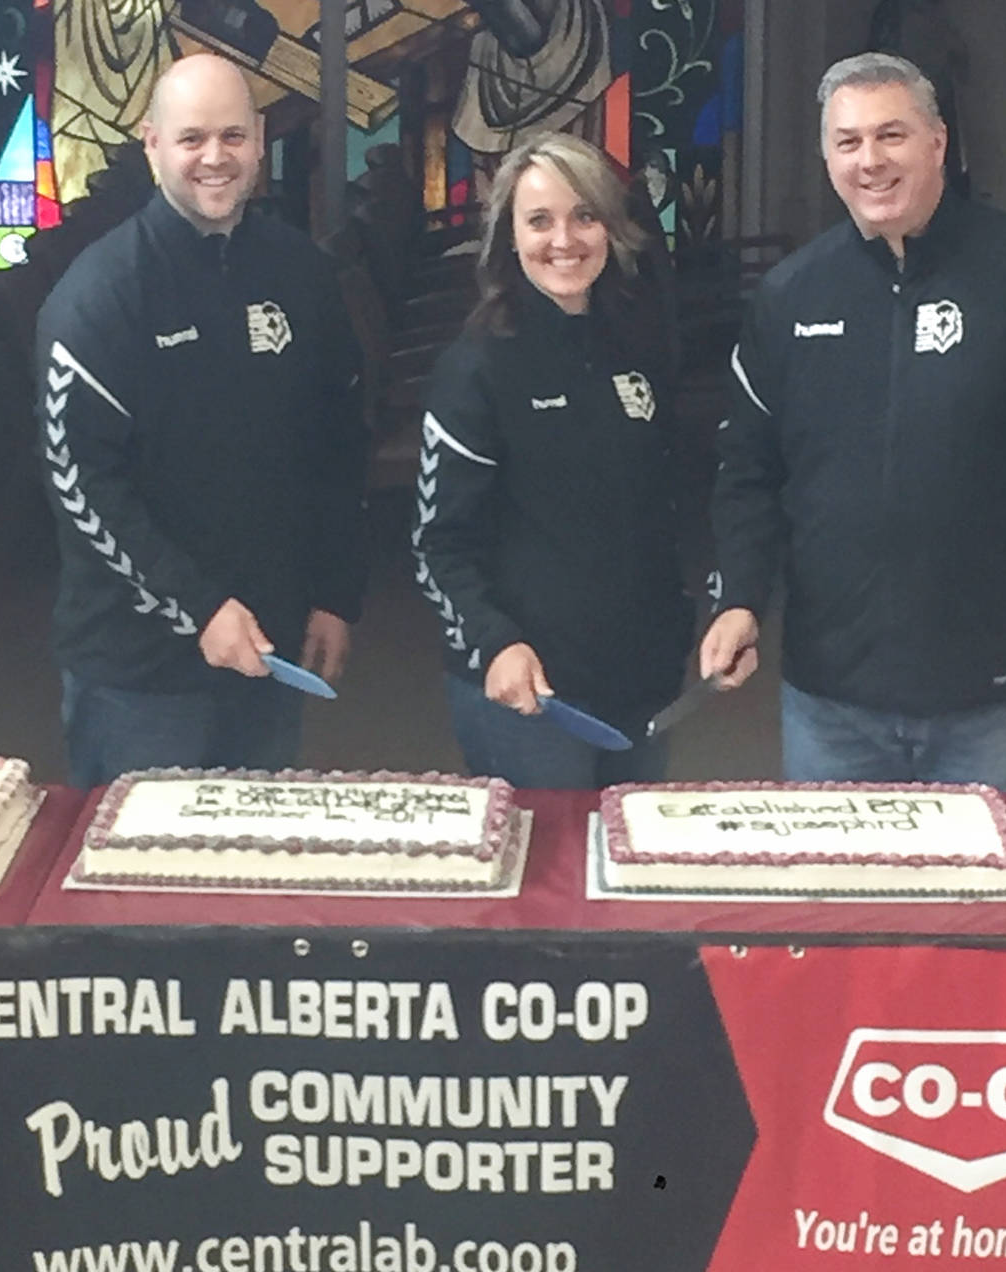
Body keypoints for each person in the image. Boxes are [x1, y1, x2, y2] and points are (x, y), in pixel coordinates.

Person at [699, 52, 1006, 789]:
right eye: (848, 142)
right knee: (840, 902)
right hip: (831, 698)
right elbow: (746, 468)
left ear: (938, 143)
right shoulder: (790, 297)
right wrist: (740, 596)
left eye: (891, 135)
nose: (869, 160)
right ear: (827, 157)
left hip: (992, 690)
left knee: (1000, 900)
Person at [35, 53, 369, 787]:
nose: (214, 158)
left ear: (258, 139)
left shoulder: (300, 274)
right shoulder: (100, 297)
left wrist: (336, 591)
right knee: (143, 894)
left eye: (231, 136)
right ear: (151, 144)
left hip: (270, 650)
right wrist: (200, 608)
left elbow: (340, 442)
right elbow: (84, 485)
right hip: (139, 672)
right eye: (191, 139)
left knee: (254, 882)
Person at [412, 133, 692, 789]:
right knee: (545, 881)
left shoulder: (635, 342)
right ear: (510, 235)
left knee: (626, 874)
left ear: (612, 229)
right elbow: (437, 544)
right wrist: (494, 643)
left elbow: (658, 507)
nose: (564, 239)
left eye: (584, 215)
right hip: (531, 693)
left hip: (642, 681)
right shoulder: (476, 367)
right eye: (540, 220)